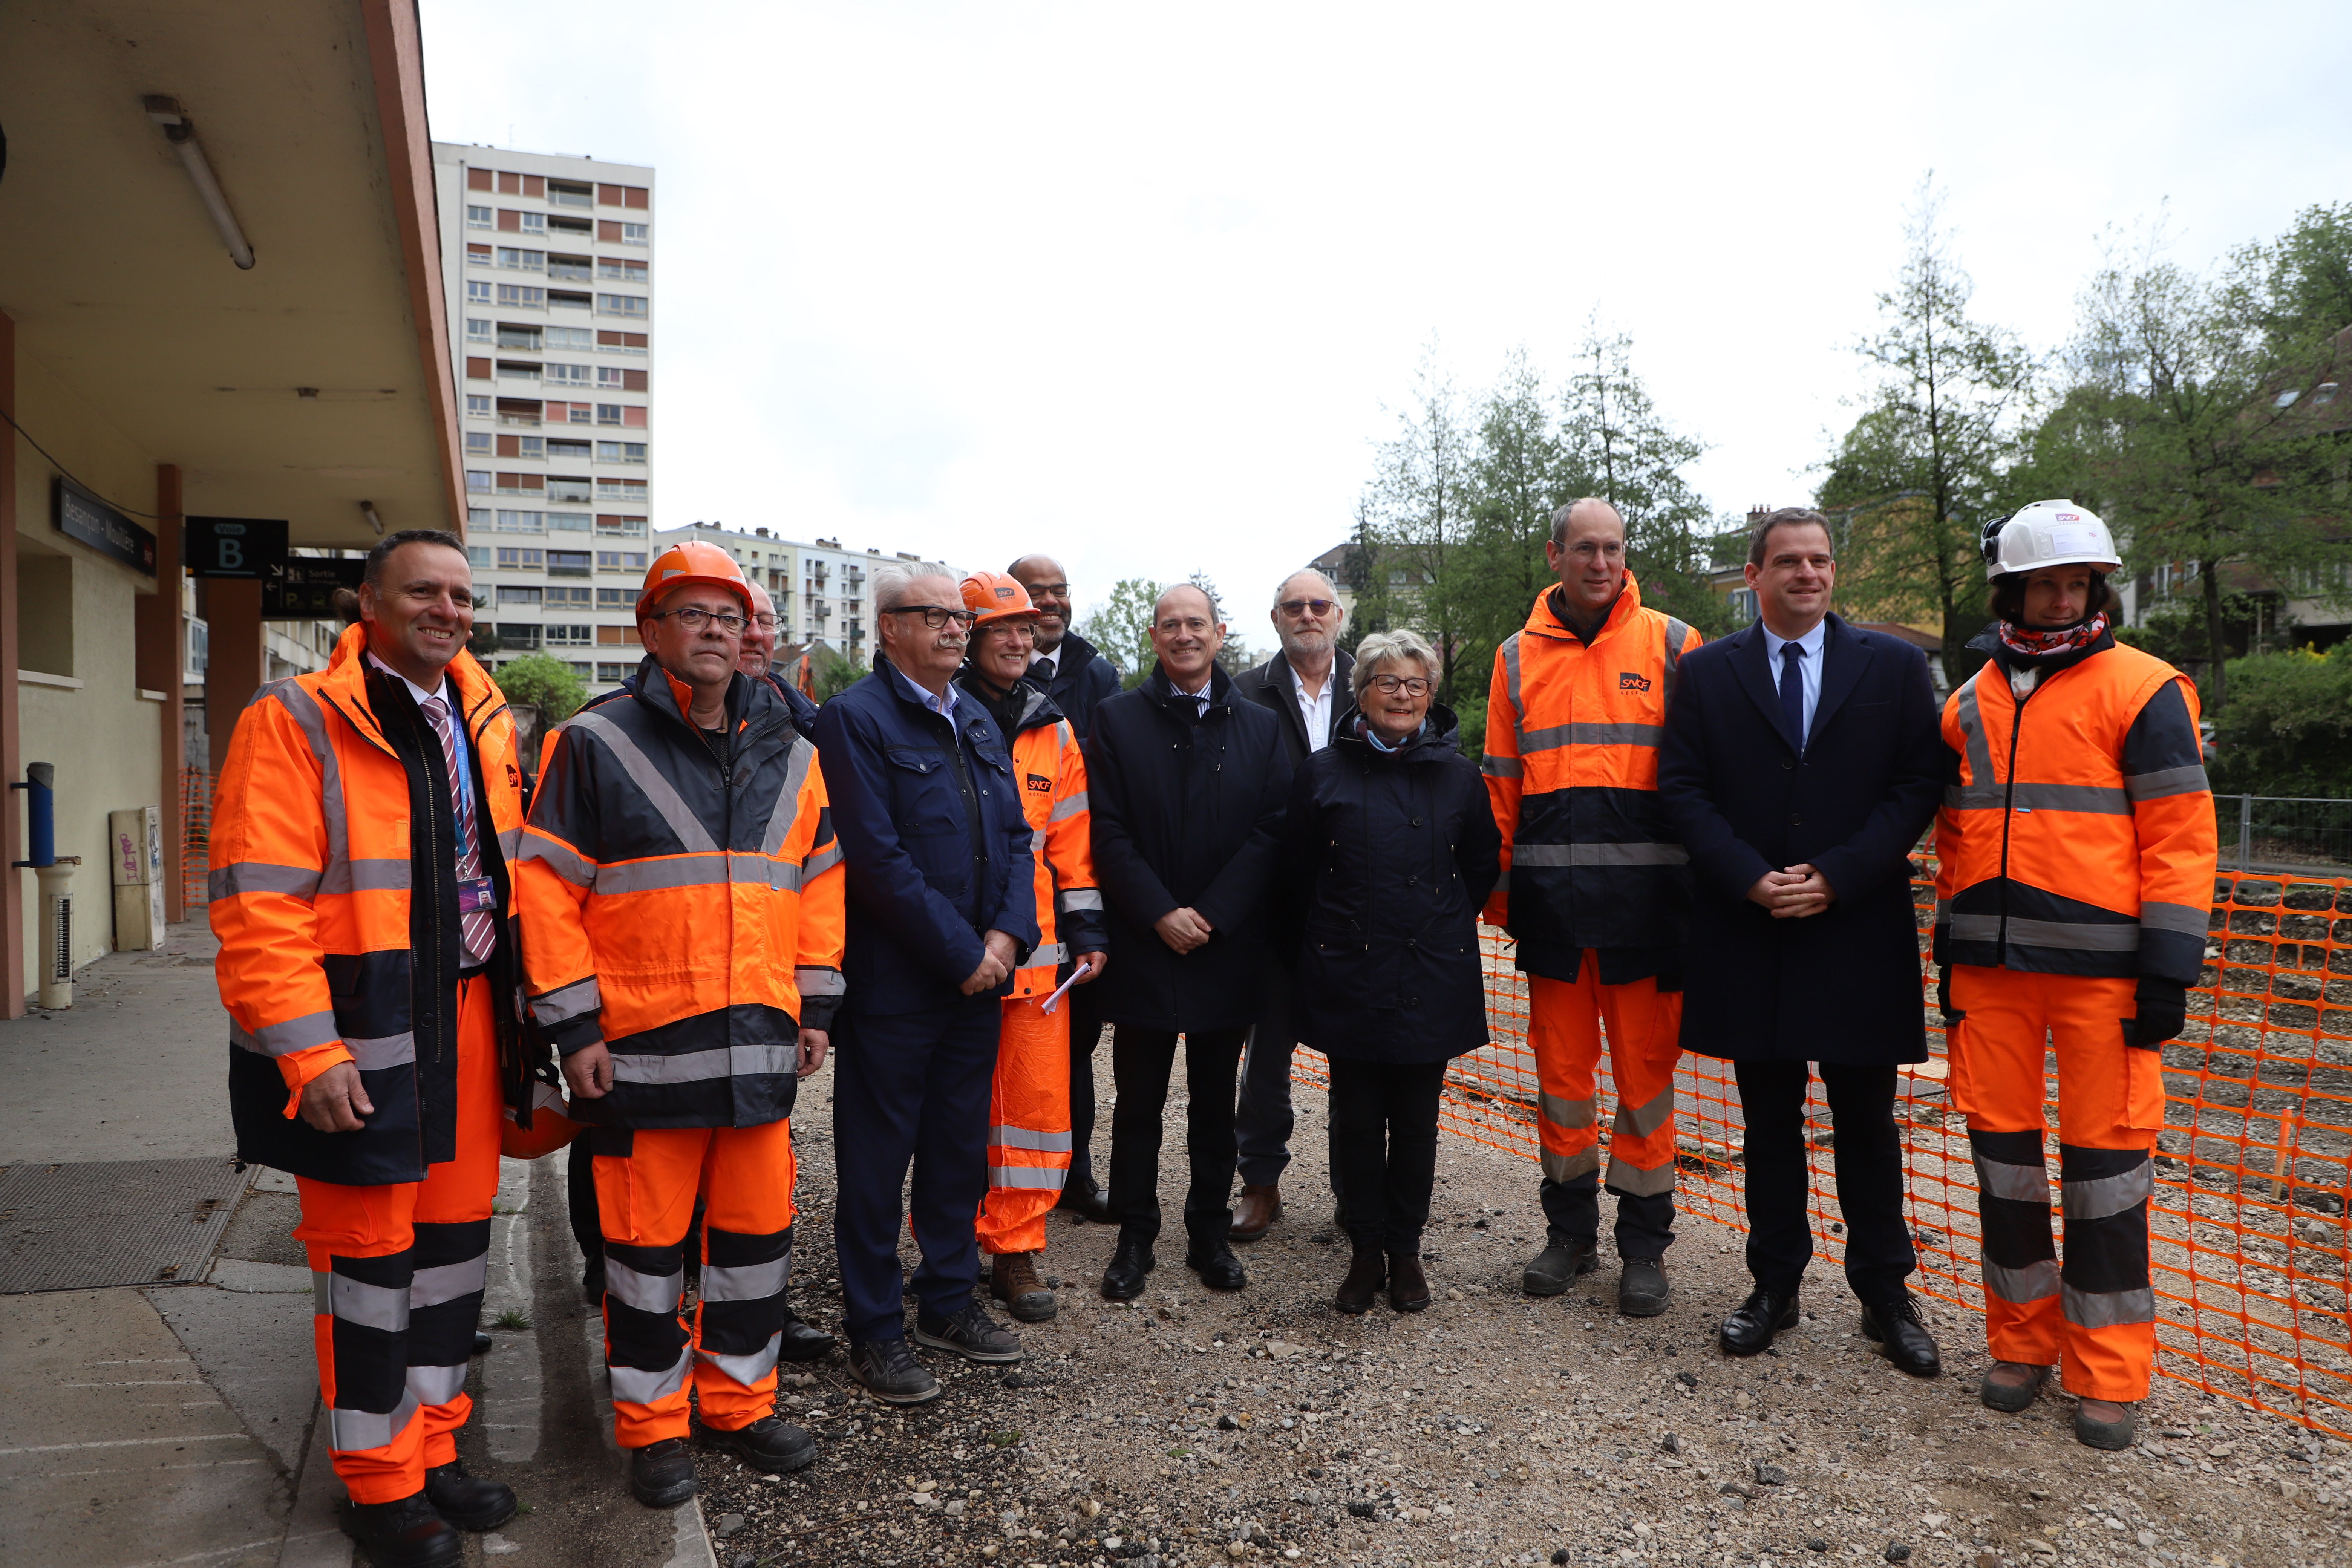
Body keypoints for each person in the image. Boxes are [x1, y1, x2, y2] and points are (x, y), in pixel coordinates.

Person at [212, 528, 531, 1568]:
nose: (449, 610)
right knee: (369, 1272)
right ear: (369, 603)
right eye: (424, 593)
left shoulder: (479, 715)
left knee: (449, 1263)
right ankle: (380, 1487)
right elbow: (260, 911)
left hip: (470, 1020)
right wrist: (310, 1058)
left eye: (461, 596)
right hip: (366, 1035)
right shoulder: (295, 719)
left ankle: (433, 1449)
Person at [515, 540, 844, 1507]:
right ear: (650, 632)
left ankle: (739, 1406)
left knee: (754, 1245)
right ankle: (655, 1430)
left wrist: (815, 1005)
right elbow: (546, 893)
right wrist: (575, 1032)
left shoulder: (795, 751)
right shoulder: (592, 742)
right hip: (641, 1059)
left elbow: (819, 890)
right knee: (645, 1260)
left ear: (751, 634)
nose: (716, 631)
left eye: (729, 616)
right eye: (692, 615)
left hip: (758, 1057)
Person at [1934, 500, 2215, 1451]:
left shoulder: (2145, 689)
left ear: (2097, 588)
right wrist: (1950, 950)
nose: (2063, 599)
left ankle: (2109, 1372)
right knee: (2004, 1171)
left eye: (2078, 583)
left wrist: (2169, 967)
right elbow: (1955, 839)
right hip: (1993, 976)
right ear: (2011, 591)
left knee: (2106, 1177)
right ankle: (2020, 1345)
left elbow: (2181, 836)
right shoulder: (1967, 699)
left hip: (2107, 980)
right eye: (2045, 584)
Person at [1657, 508, 1946, 1375]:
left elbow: (1916, 784)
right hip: (1752, 930)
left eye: (1820, 560)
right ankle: (1774, 1284)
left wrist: (1841, 873)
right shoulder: (1707, 674)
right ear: (1755, 574)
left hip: (1856, 927)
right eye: (1789, 561)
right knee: (1769, 1123)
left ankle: (1885, 1294)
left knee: (1868, 1123)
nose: (1808, 574)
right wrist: (1749, 875)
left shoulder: (1893, 667)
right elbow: (1681, 788)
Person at [813, 566, 1040, 1404]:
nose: (955, 627)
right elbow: (874, 860)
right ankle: (874, 1330)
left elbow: (1018, 839)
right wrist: (962, 951)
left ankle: (948, 1301)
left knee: (955, 1157)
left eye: (959, 616)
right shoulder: (855, 720)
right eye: (935, 615)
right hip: (898, 989)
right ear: (888, 629)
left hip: (978, 984)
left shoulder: (975, 716)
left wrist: (1008, 936)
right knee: (876, 1167)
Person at [1482, 498, 1703, 1317]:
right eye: (1585, 548)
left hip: (1651, 918)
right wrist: (1506, 902)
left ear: (1624, 555)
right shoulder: (1514, 660)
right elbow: (1501, 787)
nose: (1600, 562)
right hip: (1554, 918)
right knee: (1562, 1087)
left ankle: (1644, 1248)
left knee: (1647, 1090)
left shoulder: (1676, 645)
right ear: (1556, 555)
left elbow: (1704, 783)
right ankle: (1571, 1235)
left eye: (1612, 548)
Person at [1276, 630, 1500, 1314]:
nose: (1401, 696)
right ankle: (1364, 1251)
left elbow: (1481, 869)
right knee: (1356, 1118)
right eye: (1387, 683)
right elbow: (1295, 875)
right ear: (1362, 692)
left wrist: (1433, 923)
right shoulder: (1322, 773)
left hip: (1430, 971)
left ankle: (1406, 1251)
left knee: (1417, 1121)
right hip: (1350, 973)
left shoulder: (1459, 777)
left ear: (1430, 696)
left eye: (1415, 685)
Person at [1086, 583, 1292, 1298]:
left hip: (1226, 947)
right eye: (1170, 625)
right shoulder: (1114, 722)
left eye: (1195, 624)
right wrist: (1158, 913)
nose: (1183, 635)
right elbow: (1104, 830)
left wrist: (1212, 913)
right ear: (1153, 638)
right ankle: (1135, 1236)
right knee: (1137, 1106)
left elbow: (1274, 831)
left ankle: (1207, 1232)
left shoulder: (1262, 728)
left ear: (1220, 634)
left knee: (1214, 1106)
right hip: (1146, 945)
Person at [953, 571, 1110, 1323]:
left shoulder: (1054, 728)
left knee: (1035, 1111)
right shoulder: (937, 715)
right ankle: (951, 1250)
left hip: (1040, 963)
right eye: (1001, 629)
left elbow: (1072, 846)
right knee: (953, 1110)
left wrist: (1088, 932)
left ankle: (1015, 1249)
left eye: (1026, 627)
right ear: (969, 638)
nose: (1018, 639)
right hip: (952, 957)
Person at [1228, 569, 1356, 1242]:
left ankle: (1353, 1191)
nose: (1308, 615)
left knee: (1355, 1058)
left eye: (1319, 605)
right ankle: (1261, 1183)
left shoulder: (1375, 685)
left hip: (1353, 907)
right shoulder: (1246, 692)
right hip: (1273, 908)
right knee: (1267, 1055)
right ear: (1275, 620)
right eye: (1293, 607)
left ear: (1339, 616)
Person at [1007, 553, 1122, 1223]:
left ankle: (1072, 1174)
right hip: (1006, 902)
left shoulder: (1095, 671)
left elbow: (1099, 785)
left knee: (1073, 1049)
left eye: (1058, 592)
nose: (1048, 604)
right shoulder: (971, 679)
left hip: (1073, 887)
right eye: (1034, 595)